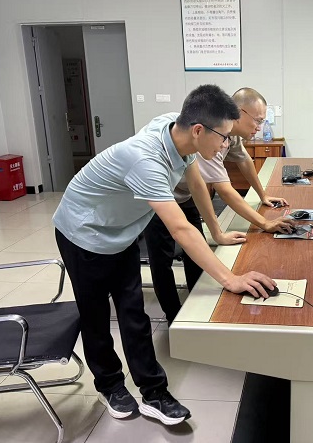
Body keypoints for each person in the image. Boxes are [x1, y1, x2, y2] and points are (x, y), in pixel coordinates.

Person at [52, 84, 277, 426]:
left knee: (133, 313)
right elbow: (181, 230)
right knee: (95, 315)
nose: (226, 145)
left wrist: (216, 232)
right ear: (199, 130)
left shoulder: (178, 128)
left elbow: (196, 184)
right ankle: (110, 385)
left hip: (121, 231)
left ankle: (154, 392)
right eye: (223, 138)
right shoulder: (146, 161)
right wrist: (230, 279)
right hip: (83, 233)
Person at [144, 88, 295, 324]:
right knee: (162, 260)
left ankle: (197, 307)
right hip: (157, 200)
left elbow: (210, 178)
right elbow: (224, 189)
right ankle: (174, 318)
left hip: (184, 195)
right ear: (240, 112)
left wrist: (262, 195)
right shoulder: (209, 136)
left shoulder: (223, 134)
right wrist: (263, 224)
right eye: (257, 120)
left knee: (196, 248)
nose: (259, 127)